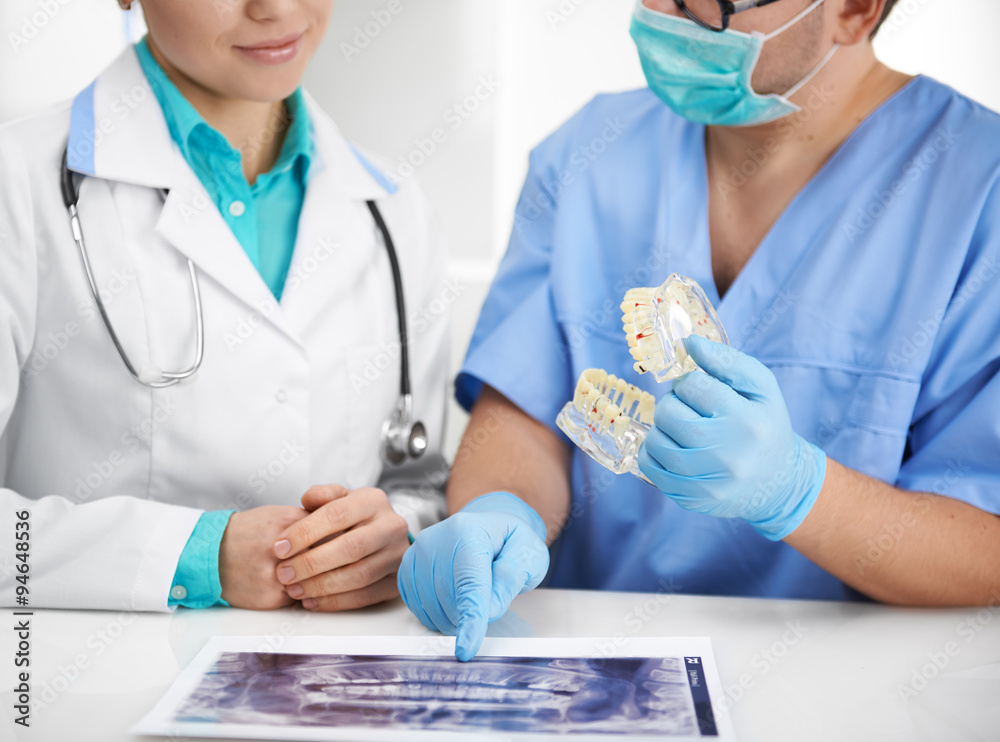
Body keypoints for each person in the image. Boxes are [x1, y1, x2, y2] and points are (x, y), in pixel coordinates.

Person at [398, 0, 1000, 661]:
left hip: (853, 688)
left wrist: (800, 490)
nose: (664, 14)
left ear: (854, 10)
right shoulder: (588, 154)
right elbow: (520, 415)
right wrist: (499, 514)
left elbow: (985, 550)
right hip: (593, 668)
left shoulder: (976, 192)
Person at [0, 0, 449, 613]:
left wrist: (391, 537)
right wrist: (192, 555)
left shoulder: (394, 209)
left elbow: (418, 483)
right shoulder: (17, 182)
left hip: (328, 686)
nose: (277, 8)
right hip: (89, 689)